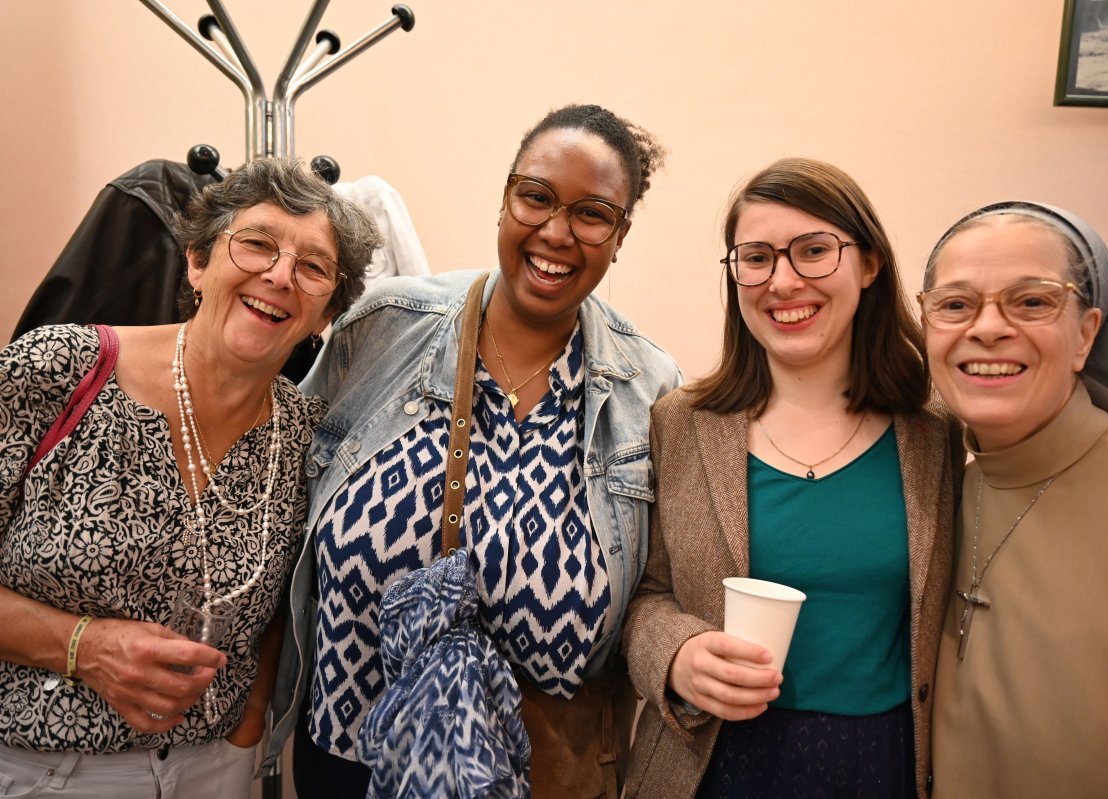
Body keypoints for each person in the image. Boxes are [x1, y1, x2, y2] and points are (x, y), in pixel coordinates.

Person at [265, 103, 681, 799]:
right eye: (537, 197)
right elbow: (275, 489)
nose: (556, 231)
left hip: (541, 773)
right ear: (505, 198)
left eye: (592, 213)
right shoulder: (386, 327)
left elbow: (655, 593)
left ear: (620, 233)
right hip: (347, 765)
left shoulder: (649, 389)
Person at [0, 158, 379, 798]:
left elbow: (290, 604)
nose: (280, 275)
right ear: (198, 263)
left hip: (213, 772)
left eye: (313, 267)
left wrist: (248, 726)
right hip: (43, 769)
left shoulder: (310, 438)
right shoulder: (60, 370)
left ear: (325, 316)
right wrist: (83, 646)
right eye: (257, 243)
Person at [621, 158, 963, 799]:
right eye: (756, 257)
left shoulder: (936, 431)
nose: (782, 281)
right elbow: (643, 597)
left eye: (813, 251)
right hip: (715, 765)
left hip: (884, 763)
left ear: (869, 265)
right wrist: (676, 657)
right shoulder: (682, 423)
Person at [922, 201, 1108, 797]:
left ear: (1087, 334)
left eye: (1031, 301)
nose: (988, 328)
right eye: (955, 305)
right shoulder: (936, 488)